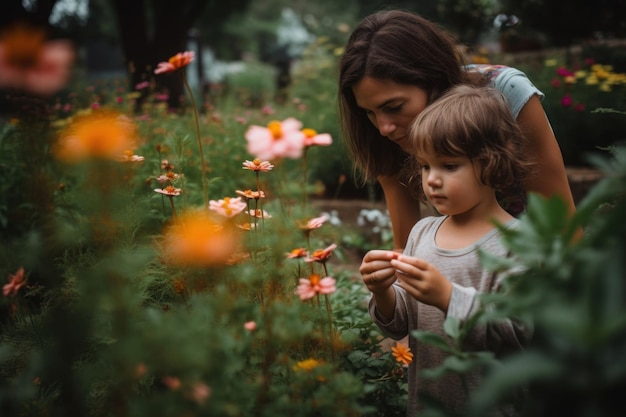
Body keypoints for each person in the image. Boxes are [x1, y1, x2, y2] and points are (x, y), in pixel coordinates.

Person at [338, 9, 576, 251]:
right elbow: (406, 248)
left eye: (394, 107)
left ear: (434, 80)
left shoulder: (505, 94)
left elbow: (560, 220)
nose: (383, 128)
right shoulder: (390, 132)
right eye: (368, 112)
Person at [361, 85, 533, 416]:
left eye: (449, 166)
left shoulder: (518, 243)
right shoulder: (423, 233)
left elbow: (520, 334)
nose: (432, 180)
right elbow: (399, 325)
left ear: (492, 163)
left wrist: (448, 297)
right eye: (425, 166)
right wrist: (382, 291)